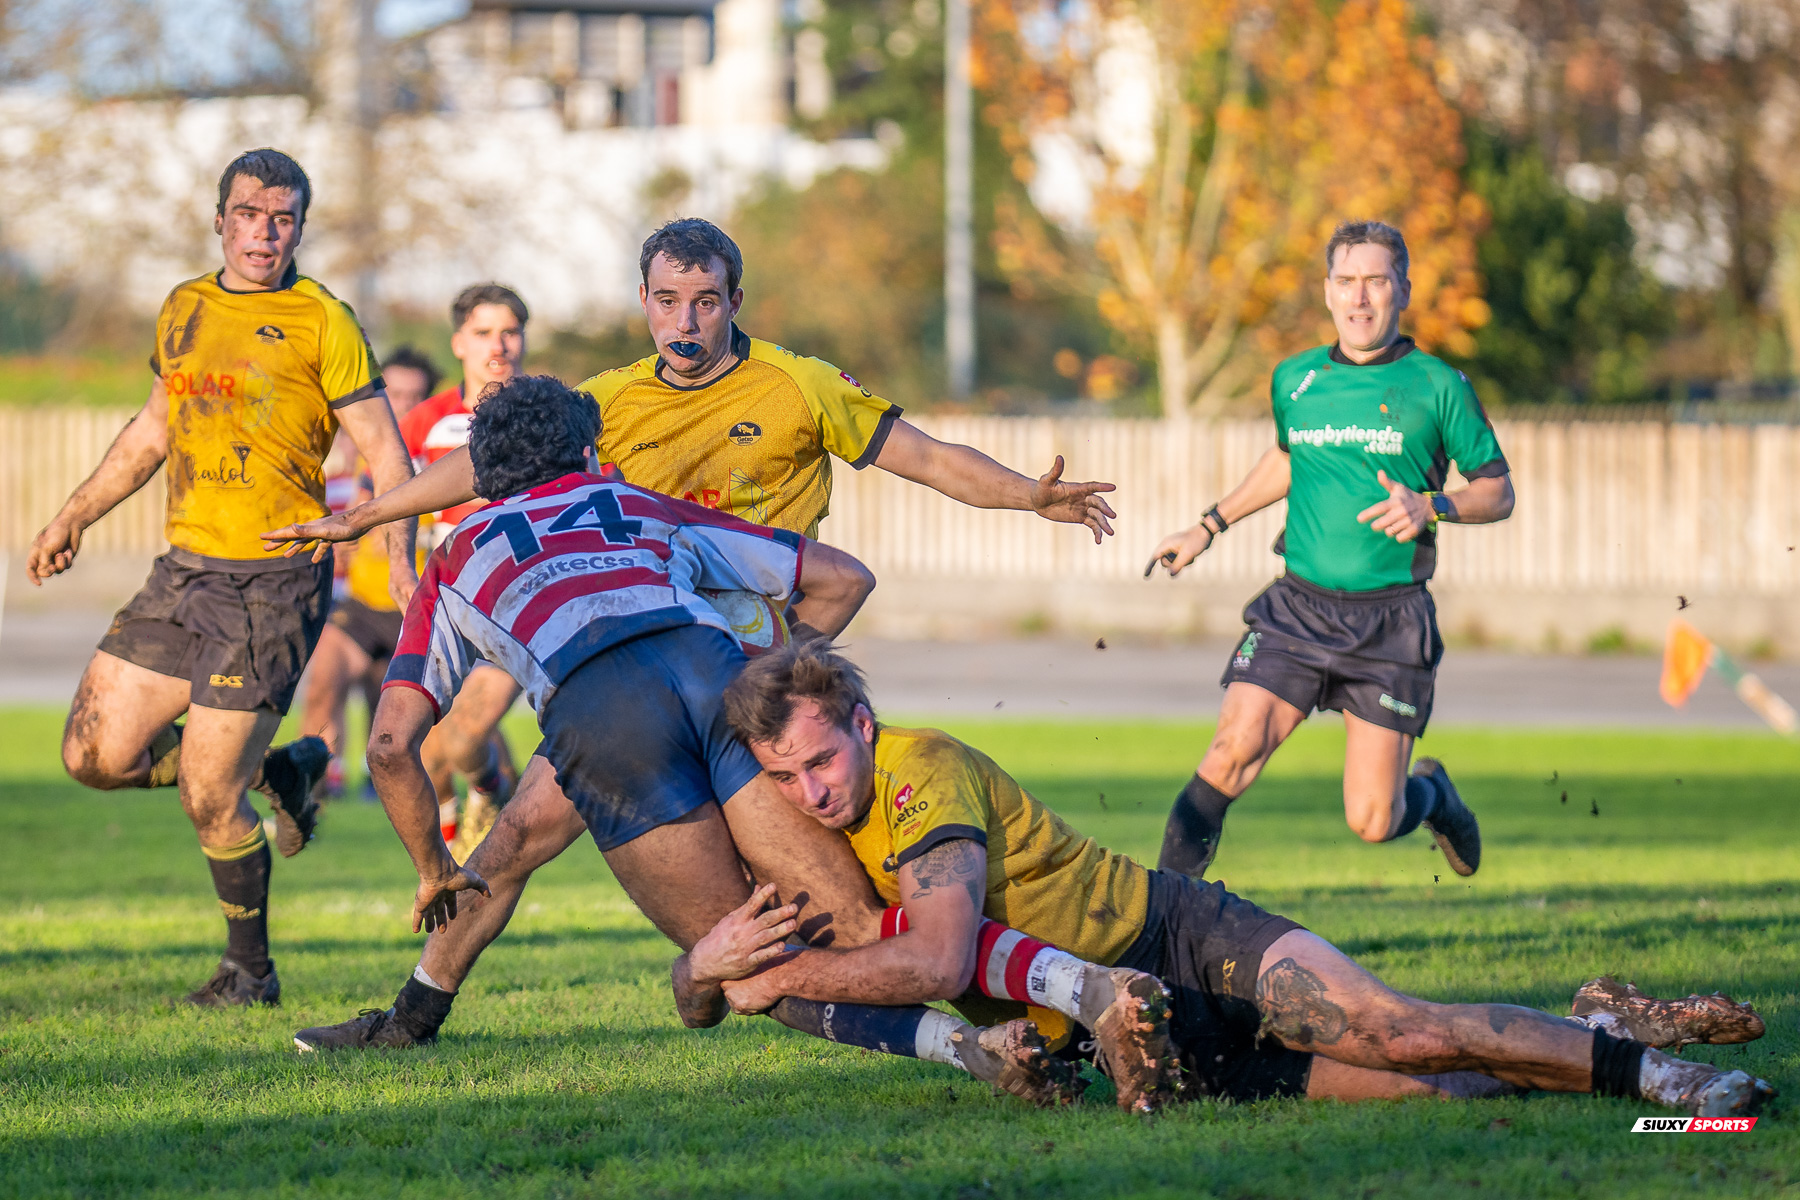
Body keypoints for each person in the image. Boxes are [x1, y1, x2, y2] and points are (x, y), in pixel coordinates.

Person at [267, 218, 1119, 1048]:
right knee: (518, 837)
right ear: (644, 300)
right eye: (669, 300)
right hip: (650, 671)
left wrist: (1025, 495)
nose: (686, 320)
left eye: (706, 301)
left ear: (735, 300)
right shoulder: (604, 401)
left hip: (748, 681)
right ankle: (412, 1019)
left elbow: (926, 457)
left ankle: (1027, 1021)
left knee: (838, 913)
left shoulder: (798, 384)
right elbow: (493, 465)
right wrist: (372, 512)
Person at [689, 640, 1773, 1119]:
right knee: (1448, 1085)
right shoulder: (802, 828)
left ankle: (1672, 1093)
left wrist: (780, 980)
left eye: (823, 761)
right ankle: (1591, 1021)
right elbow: (697, 998)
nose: (810, 793)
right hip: (1145, 1037)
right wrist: (707, 967)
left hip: (1177, 940)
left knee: (1404, 1031)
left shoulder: (919, 769)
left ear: (863, 728)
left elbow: (934, 954)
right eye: (784, 778)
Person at [25, 148, 417, 1006]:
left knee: (207, 796)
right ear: (220, 219)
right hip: (183, 571)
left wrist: (399, 563)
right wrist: (71, 517)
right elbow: (150, 433)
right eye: (249, 214)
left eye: (282, 218)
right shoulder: (184, 308)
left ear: (300, 229)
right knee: (93, 755)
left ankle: (251, 973)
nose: (264, 233)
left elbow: (388, 453)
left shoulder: (324, 320)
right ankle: (279, 772)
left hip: (273, 585)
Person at [1147, 220, 1513, 881]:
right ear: (1327, 291)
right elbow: (1290, 459)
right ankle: (1162, 934)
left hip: (1390, 624)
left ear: (1403, 288)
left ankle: (1434, 796)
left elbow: (1498, 490)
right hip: (1299, 609)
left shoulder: (1439, 386)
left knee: (1373, 820)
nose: (1361, 298)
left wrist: (1433, 504)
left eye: (1376, 281)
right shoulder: (1297, 380)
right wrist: (1208, 525)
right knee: (1230, 752)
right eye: (1347, 282)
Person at [392, 285, 538, 854]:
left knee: (467, 730)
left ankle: (492, 786)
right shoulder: (425, 422)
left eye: (509, 331)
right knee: (424, 750)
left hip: (523, 604)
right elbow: (394, 498)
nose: (497, 345)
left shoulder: (555, 412)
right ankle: (460, 851)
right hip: (449, 602)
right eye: (483, 333)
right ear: (458, 342)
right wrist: (400, 567)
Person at [303, 345, 440, 799]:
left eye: (412, 397)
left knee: (426, 724)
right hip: (361, 601)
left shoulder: (445, 457)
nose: (400, 406)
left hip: (418, 605)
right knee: (325, 678)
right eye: (392, 394)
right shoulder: (366, 452)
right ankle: (313, 791)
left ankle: (487, 782)